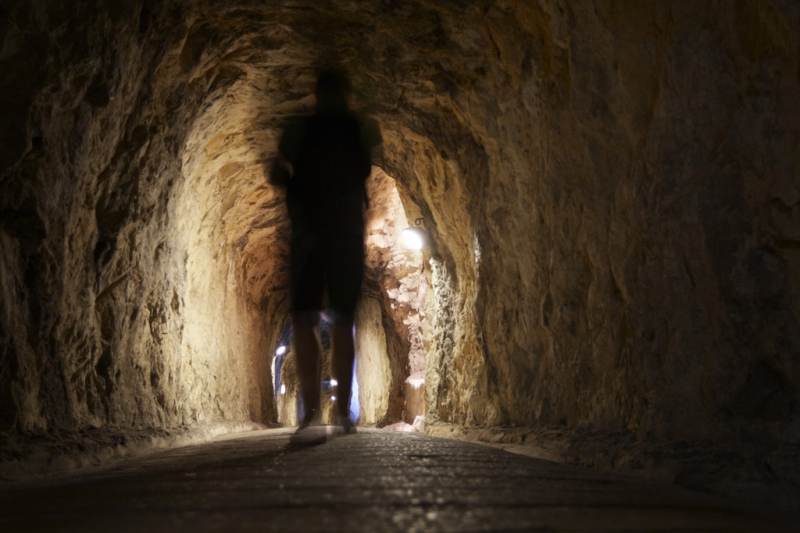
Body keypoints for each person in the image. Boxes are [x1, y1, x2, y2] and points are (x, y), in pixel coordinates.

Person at [270, 68, 381, 444]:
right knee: (341, 319)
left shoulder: (298, 130)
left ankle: (313, 413)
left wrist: (286, 180)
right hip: (346, 235)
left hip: (308, 234)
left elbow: (281, 168)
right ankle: (341, 413)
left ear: (316, 93)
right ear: (346, 93)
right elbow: (364, 167)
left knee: (303, 319)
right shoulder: (361, 129)